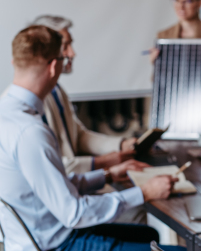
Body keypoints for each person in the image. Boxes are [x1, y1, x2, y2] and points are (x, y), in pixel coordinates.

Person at [0, 25, 184, 251]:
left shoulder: (8, 114)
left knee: (149, 234)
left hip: (40, 232)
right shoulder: (30, 132)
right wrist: (145, 192)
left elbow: (53, 184)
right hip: (56, 243)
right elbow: (74, 213)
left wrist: (107, 175)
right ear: (53, 67)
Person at [27, 15, 138, 176]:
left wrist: (120, 144)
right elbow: (48, 166)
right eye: (65, 46)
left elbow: (77, 135)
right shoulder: (31, 100)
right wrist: (104, 162)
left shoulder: (57, 90)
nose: (72, 53)